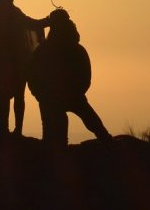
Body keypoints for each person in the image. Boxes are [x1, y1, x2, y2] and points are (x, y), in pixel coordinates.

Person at [28, 8, 112, 148]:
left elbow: (32, 74)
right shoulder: (75, 49)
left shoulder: (44, 50)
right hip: (66, 95)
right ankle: (106, 140)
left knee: (56, 130)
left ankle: (59, 151)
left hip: (56, 96)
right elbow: (86, 75)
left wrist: (40, 94)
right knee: (90, 120)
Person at [0, 0, 48, 139]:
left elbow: (31, 23)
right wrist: (46, 21)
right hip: (7, 65)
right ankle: (6, 131)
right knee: (7, 98)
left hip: (14, 63)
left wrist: (46, 21)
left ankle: (14, 130)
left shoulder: (7, 16)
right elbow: (32, 23)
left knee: (14, 97)